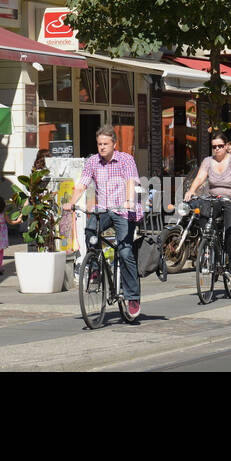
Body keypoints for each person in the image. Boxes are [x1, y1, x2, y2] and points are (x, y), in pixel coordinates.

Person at [68, 125, 142, 318]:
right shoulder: (93, 161)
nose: (102, 147)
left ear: (114, 144)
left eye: (105, 144)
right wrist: (71, 202)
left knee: (125, 252)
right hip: (105, 209)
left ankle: (132, 297)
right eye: (99, 144)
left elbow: (130, 182)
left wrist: (129, 201)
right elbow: (83, 183)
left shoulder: (126, 159)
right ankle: (95, 267)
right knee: (90, 231)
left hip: (124, 211)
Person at [185, 130, 231, 290]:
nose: (217, 149)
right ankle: (209, 249)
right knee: (204, 218)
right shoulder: (207, 161)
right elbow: (200, 177)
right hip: (213, 198)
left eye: (220, 146)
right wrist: (191, 191)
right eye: (214, 147)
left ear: (226, 146)